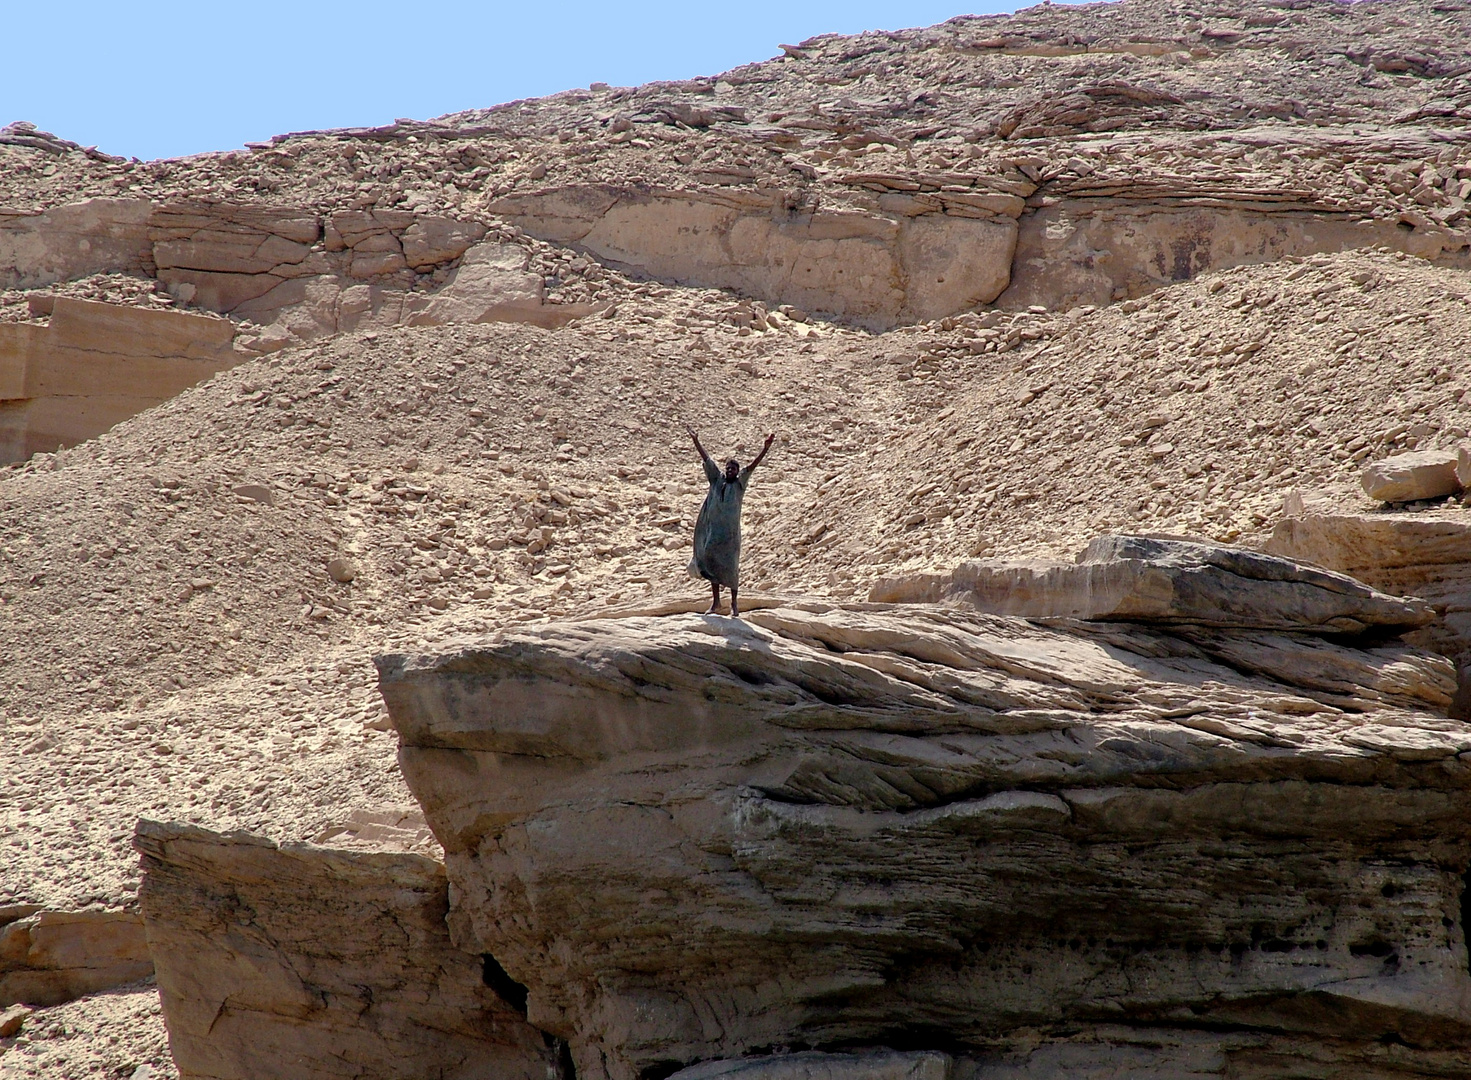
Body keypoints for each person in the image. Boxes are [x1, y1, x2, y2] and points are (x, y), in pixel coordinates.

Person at [685, 425, 774, 617]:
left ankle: (734, 604)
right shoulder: (717, 480)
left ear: (738, 471)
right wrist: (696, 441)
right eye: (728, 468)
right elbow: (707, 460)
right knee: (711, 563)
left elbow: (753, 465)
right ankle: (716, 602)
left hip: (731, 535)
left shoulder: (740, 484)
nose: (731, 471)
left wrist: (765, 449)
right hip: (713, 534)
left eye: (734, 468)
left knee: (732, 567)